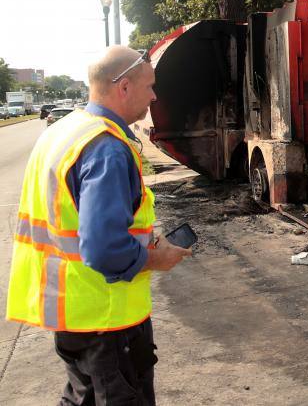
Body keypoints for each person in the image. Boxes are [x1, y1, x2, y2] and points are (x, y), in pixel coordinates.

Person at [6, 46, 192, 405]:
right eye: (150, 86)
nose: (154, 95)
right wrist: (158, 258)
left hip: (74, 318)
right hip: (107, 321)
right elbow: (104, 249)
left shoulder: (63, 132)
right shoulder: (106, 148)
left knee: (82, 397)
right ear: (123, 87)